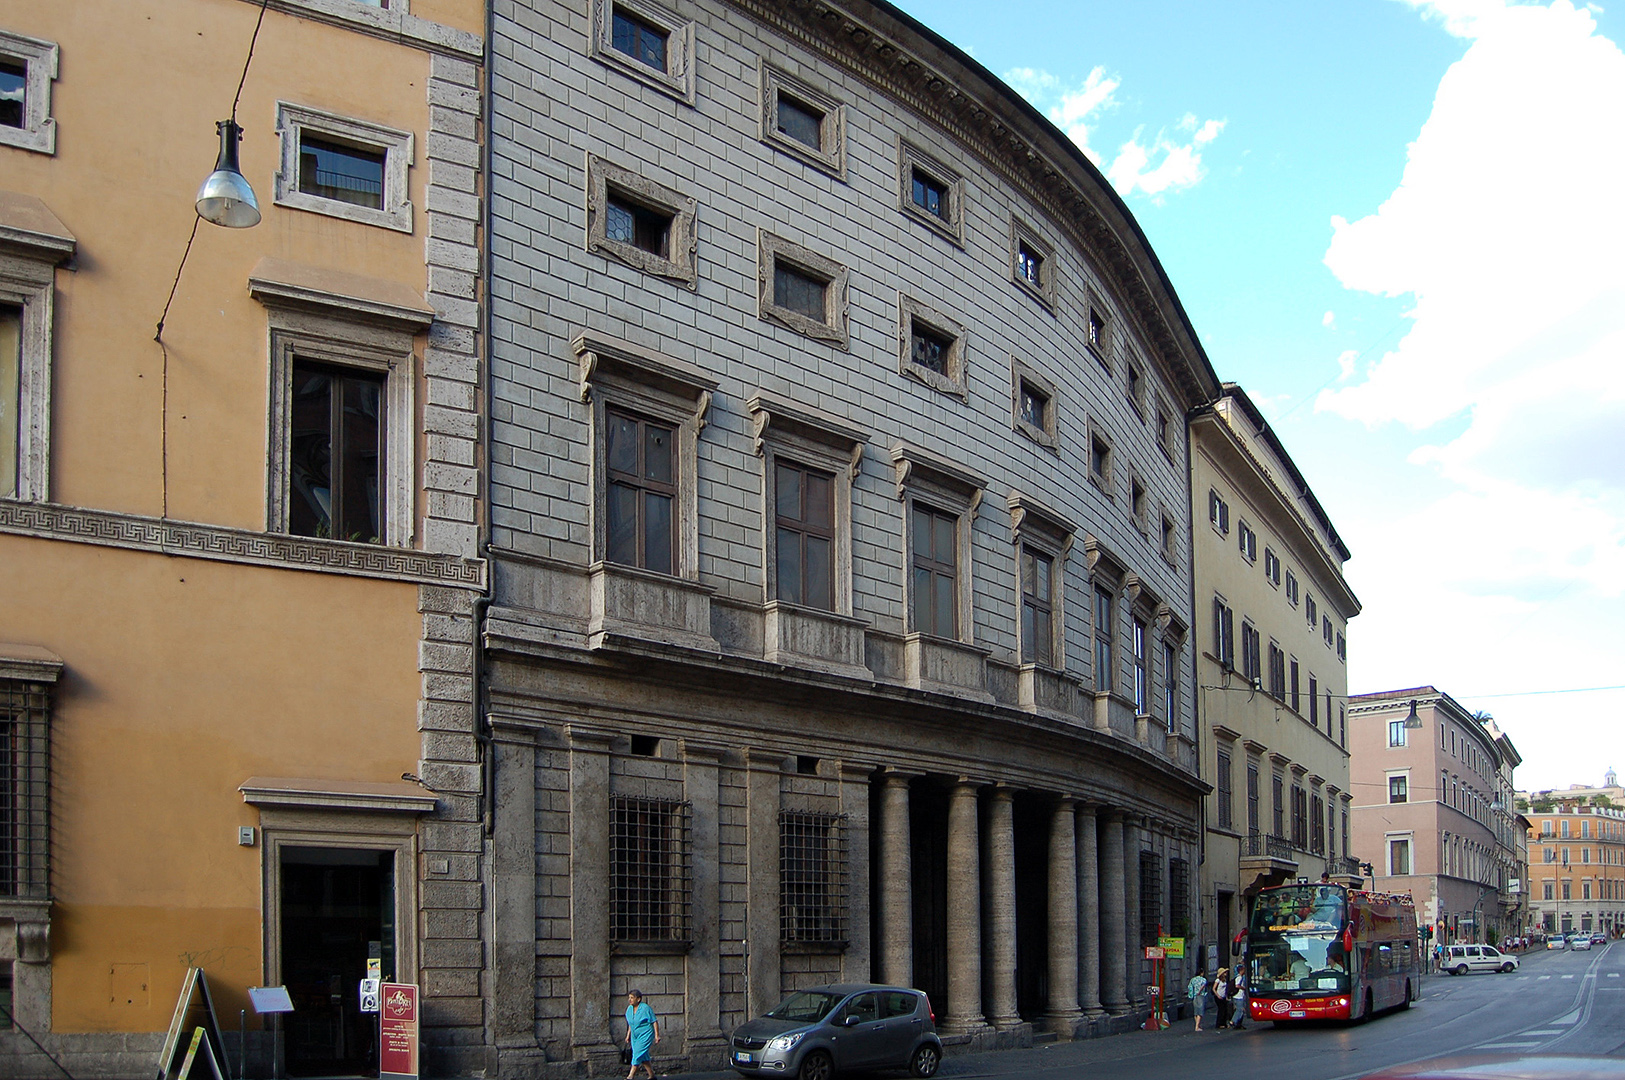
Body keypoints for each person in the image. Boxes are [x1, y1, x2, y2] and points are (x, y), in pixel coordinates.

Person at [623, 989, 659, 1080]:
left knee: (637, 1053)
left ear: (638, 999)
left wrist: (657, 1035)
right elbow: (632, 1024)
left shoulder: (645, 1008)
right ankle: (652, 1075)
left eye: (632, 998)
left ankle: (630, 1076)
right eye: (629, 998)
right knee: (643, 1055)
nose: (629, 1000)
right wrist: (628, 1036)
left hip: (646, 1034)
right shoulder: (629, 1009)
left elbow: (654, 1021)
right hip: (635, 1036)